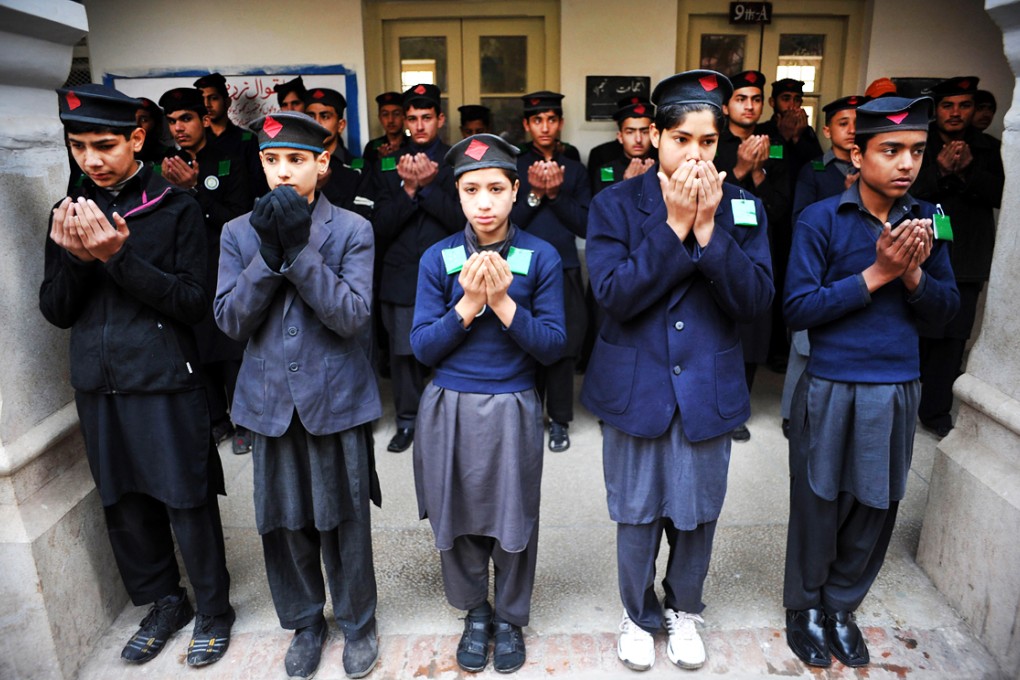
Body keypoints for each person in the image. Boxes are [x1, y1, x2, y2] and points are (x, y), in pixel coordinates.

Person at [582, 70, 773, 672]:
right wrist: (672, 229)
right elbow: (612, 295)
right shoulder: (614, 202)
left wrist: (711, 231)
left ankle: (684, 607)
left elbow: (755, 302)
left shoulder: (744, 208)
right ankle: (637, 614)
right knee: (636, 510)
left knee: (697, 511)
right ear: (656, 138)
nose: (695, 154)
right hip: (636, 382)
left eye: (708, 142)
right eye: (682, 139)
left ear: (723, 144)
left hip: (708, 384)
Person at [41, 83, 234, 667]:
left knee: (185, 498)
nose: (91, 161)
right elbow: (55, 310)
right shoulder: (69, 212)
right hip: (99, 384)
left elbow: (193, 303)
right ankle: (162, 601)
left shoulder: (174, 207)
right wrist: (76, 260)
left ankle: (214, 609)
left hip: (164, 379)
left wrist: (118, 259)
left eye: (104, 145)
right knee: (123, 502)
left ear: (137, 137)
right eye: (78, 147)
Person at [782, 96, 959, 669]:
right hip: (832, 382)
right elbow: (799, 308)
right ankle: (804, 606)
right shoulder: (821, 219)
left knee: (877, 503)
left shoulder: (932, 218)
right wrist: (877, 273)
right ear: (857, 154)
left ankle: (841, 605)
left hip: (896, 384)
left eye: (916, 151)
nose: (906, 163)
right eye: (891, 150)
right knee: (818, 500)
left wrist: (912, 275)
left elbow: (946, 315)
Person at [214, 111, 382, 679]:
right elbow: (231, 321)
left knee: (344, 520)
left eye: (296, 160)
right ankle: (306, 622)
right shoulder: (238, 233)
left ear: (323, 164)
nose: (283, 172)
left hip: (335, 400)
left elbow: (351, 316)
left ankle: (358, 623)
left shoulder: (353, 229)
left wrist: (298, 250)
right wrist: (268, 252)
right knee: (284, 523)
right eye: (271, 160)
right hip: (268, 402)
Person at [410, 133, 566, 674]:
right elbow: (422, 346)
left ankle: (511, 618)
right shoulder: (439, 258)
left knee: (514, 516)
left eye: (496, 188)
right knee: (456, 513)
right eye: (471, 189)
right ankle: (475, 611)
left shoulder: (540, 255)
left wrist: (502, 302)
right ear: (457, 195)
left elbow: (552, 345)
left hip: (513, 402)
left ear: (516, 191)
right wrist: (469, 302)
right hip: (448, 403)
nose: (484, 202)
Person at [366, 83, 463, 453]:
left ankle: (449, 421)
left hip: (452, 274)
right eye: (412, 119)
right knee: (404, 353)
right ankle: (408, 420)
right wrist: (408, 190)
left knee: (452, 349)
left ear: (439, 118)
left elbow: (464, 220)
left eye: (426, 117)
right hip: (401, 273)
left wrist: (427, 187)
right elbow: (376, 227)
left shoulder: (457, 161)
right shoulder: (388, 163)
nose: (419, 125)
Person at [158, 87, 253, 454]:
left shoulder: (229, 157)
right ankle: (217, 419)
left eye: (186, 119)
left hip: (223, 265)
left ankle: (245, 421)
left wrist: (195, 188)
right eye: (172, 121)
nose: (179, 128)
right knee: (198, 348)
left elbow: (240, 217)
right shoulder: (163, 166)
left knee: (232, 347)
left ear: (204, 120)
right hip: (185, 268)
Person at [910, 76, 1004, 438]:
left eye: (964, 105)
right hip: (923, 253)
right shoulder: (922, 142)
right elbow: (906, 187)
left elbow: (1001, 194)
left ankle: (935, 412)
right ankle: (904, 403)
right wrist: (940, 171)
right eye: (948, 105)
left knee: (952, 339)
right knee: (917, 331)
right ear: (938, 109)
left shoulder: (990, 148)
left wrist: (966, 170)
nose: (955, 113)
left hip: (967, 258)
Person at [780, 94, 868, 437]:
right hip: (820, 265)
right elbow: (800, 218)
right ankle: (792, 412)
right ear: (828, 131)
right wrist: (847, 198)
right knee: (804, 346)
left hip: (861, 267)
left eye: (858, 124)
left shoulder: (875, 169)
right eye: (843, 123)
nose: (851, 130)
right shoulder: (815, 169)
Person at [714, 69, 791, 442]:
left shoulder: (776, 145)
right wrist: (741, 169)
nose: (749, 105)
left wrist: (757, 173)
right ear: (726, 105)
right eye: (741, 98)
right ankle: (716, 402)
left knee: (754, 332)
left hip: (761, 249)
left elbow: (780, 207)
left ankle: (737, 408)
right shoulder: (716, 144)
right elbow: (711, 203)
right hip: (721, 250)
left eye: (756, 99)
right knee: (721, 330)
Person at [513, 90, 590, 452]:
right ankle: (526, 417)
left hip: (564, 266)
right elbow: (505, 221)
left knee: (562, 347)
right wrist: (535, 193)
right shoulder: (513, 167)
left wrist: (557, 195)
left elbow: (586, 225)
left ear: (560, 123)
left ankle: (559, 420)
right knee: (523, 343)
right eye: (537, 120)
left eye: (551, 119)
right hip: (520, 268)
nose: (545, 126)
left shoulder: (574, 169)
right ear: (527, 124)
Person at [194, 72, 266, 197]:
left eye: (213, 98)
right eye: (202, 99)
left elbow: (258, 183)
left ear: (227, 102)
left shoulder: (247, 140)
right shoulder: (197, 141)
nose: (207, 104)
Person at [590, 95, 656, 196]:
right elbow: (602, 209)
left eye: (645, 132)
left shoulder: (663, 168)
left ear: (654, 135)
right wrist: (626, 185)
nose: (638, 139)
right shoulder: (607, 171)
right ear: (620, 137)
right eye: (630, 132)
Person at [305, 87, 355, 164]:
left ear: (340, 125)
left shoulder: (358, 169)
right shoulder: (294, 164)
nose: (316, 122)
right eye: (311, 117)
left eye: (325, 117)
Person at [362, 91, 407, 165]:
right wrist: (381, 161)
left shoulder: (413, 144)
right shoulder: (372, 147)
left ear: (404, 117)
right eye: (385, 114)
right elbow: (366, 175)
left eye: (396, 114)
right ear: (380, 118)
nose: (390, 120)